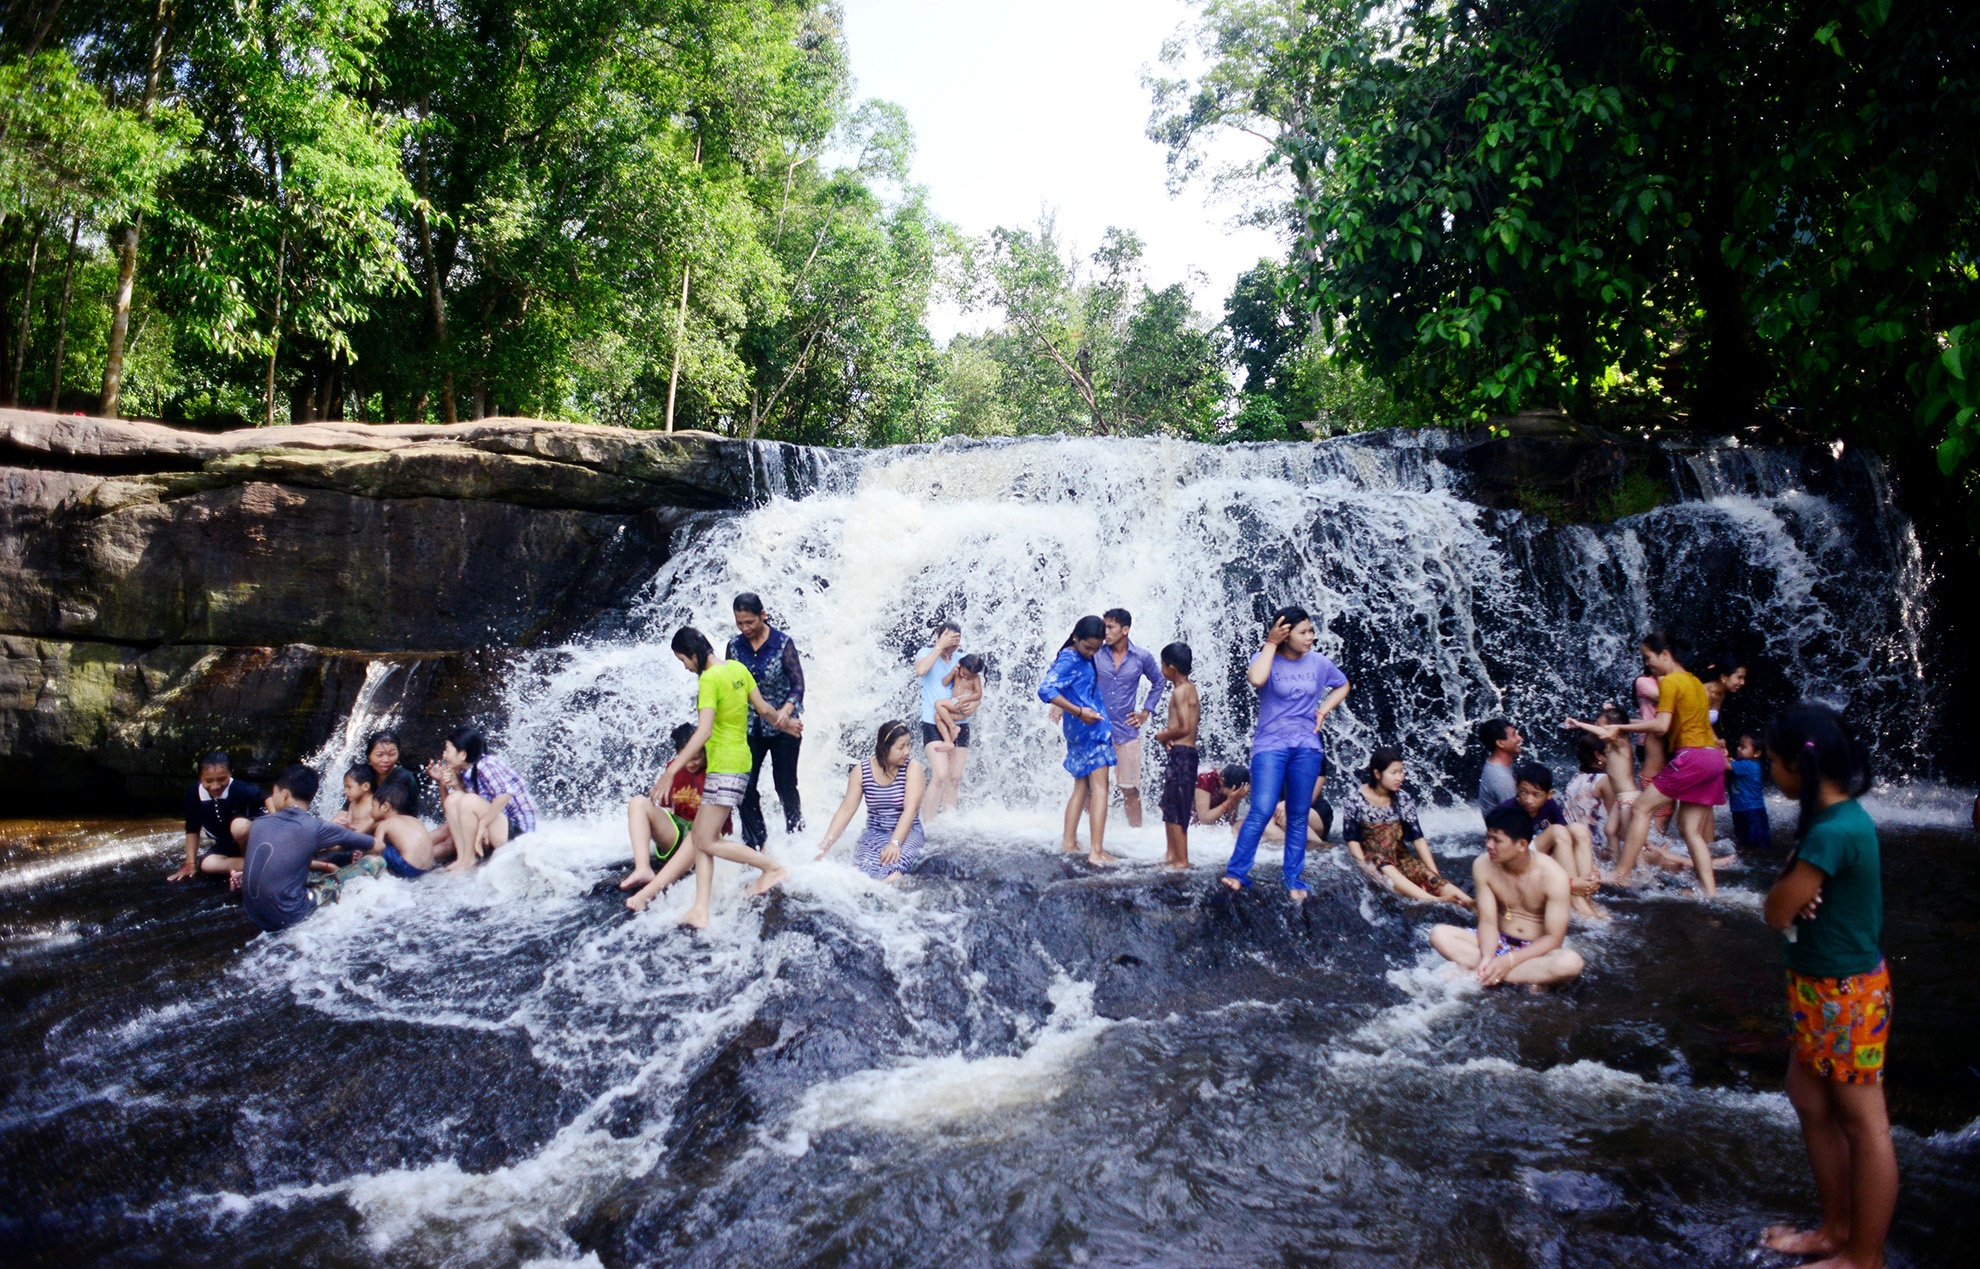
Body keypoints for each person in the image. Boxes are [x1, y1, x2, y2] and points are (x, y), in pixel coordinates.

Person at [1759, 702, 1895, 1269]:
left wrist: (1786, 890)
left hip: (1844, 994)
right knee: (1810, 1096)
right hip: (1822, 989)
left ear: (1799, 765)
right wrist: (1793, 889)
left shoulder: (1831, 834)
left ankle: (1862, 1257)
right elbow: (1793, 903)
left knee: (1865, 1124)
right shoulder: (1837, 821)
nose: (1770, 772)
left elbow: (1775, 912)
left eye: (1772, 762)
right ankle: (1834, 1230)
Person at [664, 626, 799, 928]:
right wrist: (786, 724)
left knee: (708, 841)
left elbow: (704, 731)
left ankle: (773, 867)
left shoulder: (709, 680)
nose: (685, 667)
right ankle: (701, 908)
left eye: (683, 660)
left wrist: (672, 770)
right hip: (738, 761)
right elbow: (763, 708)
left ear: (694, 655)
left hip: (725, 765)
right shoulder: (737, 668)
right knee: (701, 837)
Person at [1222, 606, 1350, 901]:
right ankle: (1237, 873)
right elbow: (1256, 679)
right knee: (1262, 809)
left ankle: (1293, 877)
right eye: (1303, 632)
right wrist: (1270, 642)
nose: (1311, 637)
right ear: (1285, 634)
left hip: (1307, 746)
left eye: (1311, 631)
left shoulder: (1318, 663)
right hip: (1270, 746)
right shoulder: (1266, 658)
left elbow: (1343, 684)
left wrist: (1324, 709)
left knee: (1297, 814)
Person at [1594, 632, 1727, 896]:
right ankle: (1710, 892)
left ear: (1665, 655)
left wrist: (1618, 726)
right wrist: (1624, 723)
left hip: (1692, 757)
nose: (1647, 665)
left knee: (1642, 807)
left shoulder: (1669, 681)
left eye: (1648, 658)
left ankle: (1621, 873)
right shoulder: (1696, 683)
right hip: (1713, 759)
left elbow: (1661, 725)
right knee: (1690, 830)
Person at [1429, 804, 1586, 988]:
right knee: (1439, 935)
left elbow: (1553, 939)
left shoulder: (1554, 876)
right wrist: (1488, 957)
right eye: (1488, 837)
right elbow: (1488, 921)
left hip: (1535, 951)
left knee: (1570, 963)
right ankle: (1504, 973)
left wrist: (1509, 961)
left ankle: (1484, 972)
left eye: (1497, 840)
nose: (1489, 845)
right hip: (1497, 943)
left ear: (1521, 845)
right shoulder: (1482, 865)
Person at [240, 765, 382, 933]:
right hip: (288, 915)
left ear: (284, 794)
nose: (272, 796)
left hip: (253, 914)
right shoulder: (316, 827)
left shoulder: (259, 823)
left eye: (274, 792)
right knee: (375, 861)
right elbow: (377, 845)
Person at [619, 723, 727, 914]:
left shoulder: (717, 769)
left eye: (698, 757)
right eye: (687, 758)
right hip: (680, 835)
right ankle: (643, 868)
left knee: (700, 828)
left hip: (709, 841)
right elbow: (665, 807)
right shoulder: (673, 769)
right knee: (638, 802)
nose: (692, 763)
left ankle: (647, 894)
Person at [726, 593, 805, 849]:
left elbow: (798, 683)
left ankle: (797, 835)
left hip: (784, 726)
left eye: (749, 622)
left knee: (785, 784)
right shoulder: (735, 647)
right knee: (745, 785)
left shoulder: (782, 644)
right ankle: (755, 841)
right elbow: (731, 686)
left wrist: (787, 709)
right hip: (749, 727)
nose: (745, 628)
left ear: (763, 615)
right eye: (740, 623)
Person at [1342, 748, 1471, 905]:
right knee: (1379, 861)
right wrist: (1365, 867)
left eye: (1402, 772)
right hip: (1373, 860)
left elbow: (1417, 838)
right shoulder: (1355, 799)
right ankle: (1434, 900)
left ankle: (1470, 903)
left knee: (1430, 877)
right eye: (1394, 772)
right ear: (1377, 774)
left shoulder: (1403, 798)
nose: (1400, 778)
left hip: (1399, 857)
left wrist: (1435, 874)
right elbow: (1352, 839)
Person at [1038, 615, 1117, 863]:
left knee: (1082, 787)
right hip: (1089, 729)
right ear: (1076, 638)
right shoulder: (1070, 658)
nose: (1092, 653)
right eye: (1088, 647)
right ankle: (1097, 851)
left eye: (1097, 648)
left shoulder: (1077, 656)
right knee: (1101, 788)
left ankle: (1069, 842)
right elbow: (1046, 689)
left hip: (1079, 729)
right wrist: (1079, 711)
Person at [815, 720, 928, 880]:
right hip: (875, 832)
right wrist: (826, 845)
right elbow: (846, 810)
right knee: (861, 873)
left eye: (908, 745)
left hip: (908, 832)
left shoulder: (913, 768)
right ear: (885, 747)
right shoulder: (861, 771)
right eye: (901, 747)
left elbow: (911, 810)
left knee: (895, 871)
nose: (907, 751)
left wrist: (895, 843)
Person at [427, 727, 539, 873]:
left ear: (462, 754)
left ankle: (469, 859)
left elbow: (506, 793)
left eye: (447, 750)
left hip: (519, 834)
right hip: (501, 828)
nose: (444, 755)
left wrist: (482, 824)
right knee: (454, 799)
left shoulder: (486, 764)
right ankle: (462, 858)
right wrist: (450, 784)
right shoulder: (469, 771)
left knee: (468, 800)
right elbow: (459, 809)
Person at [1093, 609, 1166, 829]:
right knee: (1092, 787)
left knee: (1130, 789)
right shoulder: (1096, 653)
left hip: (1126, 730)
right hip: (1096, 729)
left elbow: (1159, 681)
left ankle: (1136, 836)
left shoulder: (1141, 657)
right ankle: (1092, 833)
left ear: (1125, 630)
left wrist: (1145, 712)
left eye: (1110, 627)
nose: (1105, 632)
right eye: (1104, 626)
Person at [1505, 763, 1602, 917]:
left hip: (1542, 854)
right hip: (1520, 857)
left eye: (1536, 794)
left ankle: (1587, 894)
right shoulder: (1509, 810)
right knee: (1557, 831)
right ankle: (1575, 897)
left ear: (1549, 794)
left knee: (1578, 829)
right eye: (1523, 792)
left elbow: (1567, 832)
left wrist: (1594, 867)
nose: (1529, 799)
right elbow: (1509, 853)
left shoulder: (1549, 804)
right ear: (1517, 788)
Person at [168, 750, 263, 882]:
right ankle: (251, 866)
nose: (215, 786)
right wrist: (190, 864)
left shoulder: (239, 788)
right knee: (207, 865)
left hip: (253, 840)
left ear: (231, 774)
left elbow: (267, 798)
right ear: (200, 778)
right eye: (208, 781)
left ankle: (256, 861)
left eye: (222, 779)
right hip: (227, 845)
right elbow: (192, 829)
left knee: (239, 827)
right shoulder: (193, 795)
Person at [1152, 642, 1200, 870]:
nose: (1161, 669)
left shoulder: (1180, 691)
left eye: (1162, 664)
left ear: (1171, 667)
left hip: (1183, 755)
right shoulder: (1189, 687)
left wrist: (1163, 735)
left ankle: (1181, 860)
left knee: (1177, 807)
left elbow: (1184, 727)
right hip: (1182, 754)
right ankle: (1172, 853)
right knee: (1170, 805)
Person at [914, 621, 968, 814]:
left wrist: (972, 704)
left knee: (954, 777)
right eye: (950, 641)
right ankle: (927, 822)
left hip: (959, 722)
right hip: (932, 722)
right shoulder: (926, 653)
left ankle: (949, 820)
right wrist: (940, 646)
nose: (953, 647)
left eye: (957, 642)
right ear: (938, 637)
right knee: (940, 774)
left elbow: (974, 686)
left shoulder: (962, 659)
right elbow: (921, 670)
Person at [371, 780, 439, 877]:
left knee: (380, 847)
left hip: (408, 868)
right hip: (425, 868)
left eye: (373, 805)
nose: (371, 810)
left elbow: (377, 848)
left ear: (385, 807)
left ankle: (384, 875)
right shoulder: (413, 820)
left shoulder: (384, 824)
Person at [1563, 736, 1614, 856]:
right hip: (1600, 847)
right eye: (1608, 752)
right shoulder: (1605, 781)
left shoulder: (1575, 778)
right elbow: (1615, 818)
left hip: (1575, 843)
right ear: (1598, 755)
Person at [1728, 730, 1772, 853]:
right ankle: (1753, 855)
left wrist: (1721, 754)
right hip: (1743, 808)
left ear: (1757, 753)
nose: (1738, 749)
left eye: (1743, 747)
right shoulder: (1744, 763)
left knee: (1754, 840)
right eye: (1739, 745)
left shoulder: (1748, 765)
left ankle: (1755, 856)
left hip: (1751, 810)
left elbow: (1726, 765)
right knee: (1749, 838)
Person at [932, 655, 985, 751]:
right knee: (937, 717)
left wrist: (967, 699)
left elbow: (979, 694)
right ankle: (948, 741)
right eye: (964, 673)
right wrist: (952, 672)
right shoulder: (956, 673)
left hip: (962, 704)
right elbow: (945, 683)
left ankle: (953, 727)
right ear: (960, 665)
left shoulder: (975, 678)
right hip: (956, 705)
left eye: (970, 676)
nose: (966, 677)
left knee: (938, 704)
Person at [1476, 719, 1522, 815]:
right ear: (1500, 743)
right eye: (1514, 735)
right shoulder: (1502, 779)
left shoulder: (1494, 763)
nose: (1520, 738)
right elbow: (1515, 819)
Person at [1194, 764, 1249, 833]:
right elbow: (1204, 819)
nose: (1234, 794)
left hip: (1216, 824)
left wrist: (1236, 800)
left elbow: (1230, 820)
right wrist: (1230, 800)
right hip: (1196, 826)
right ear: (1221, 781)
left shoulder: (1232, 782)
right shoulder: (1205, 779)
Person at [335, 764, 383, 834]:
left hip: (367, 838)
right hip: (354, 836)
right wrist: (345, 824)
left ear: (365, 786)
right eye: (345, 788)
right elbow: (348, 822)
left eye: (349, 787)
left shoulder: (374, 803)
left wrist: (356, 835)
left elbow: (373, 822)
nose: (346, 791)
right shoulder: (353, 803)